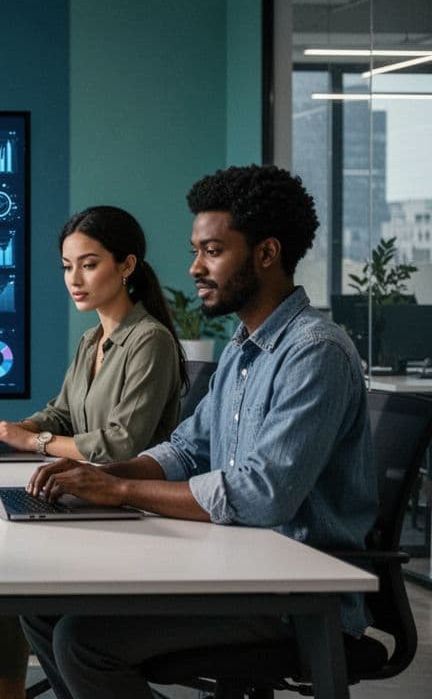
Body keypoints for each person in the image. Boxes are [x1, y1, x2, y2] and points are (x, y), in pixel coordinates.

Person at [20, 165, 376, 699]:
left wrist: (119, 490)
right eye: (195, 250)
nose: (194, 267)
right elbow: (189, 448)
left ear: (266, 253)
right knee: (42, 610)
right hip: (234, 567)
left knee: (83, 640)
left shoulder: (314, 352)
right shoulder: (241, 349)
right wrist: (101, 474)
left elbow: (262, 495)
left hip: (294, 594)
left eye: (212, 251)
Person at [0, 205, 186, 699]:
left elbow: (119, 444)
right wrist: (15, 428)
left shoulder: (150, 342)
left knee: (0, 557)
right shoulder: (92, 341)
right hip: (82, 496)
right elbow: (62, 413)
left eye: (89, 264)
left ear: (127, 265)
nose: (75, 278)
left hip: (128, 510)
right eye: (67, 267)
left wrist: (34, 442)